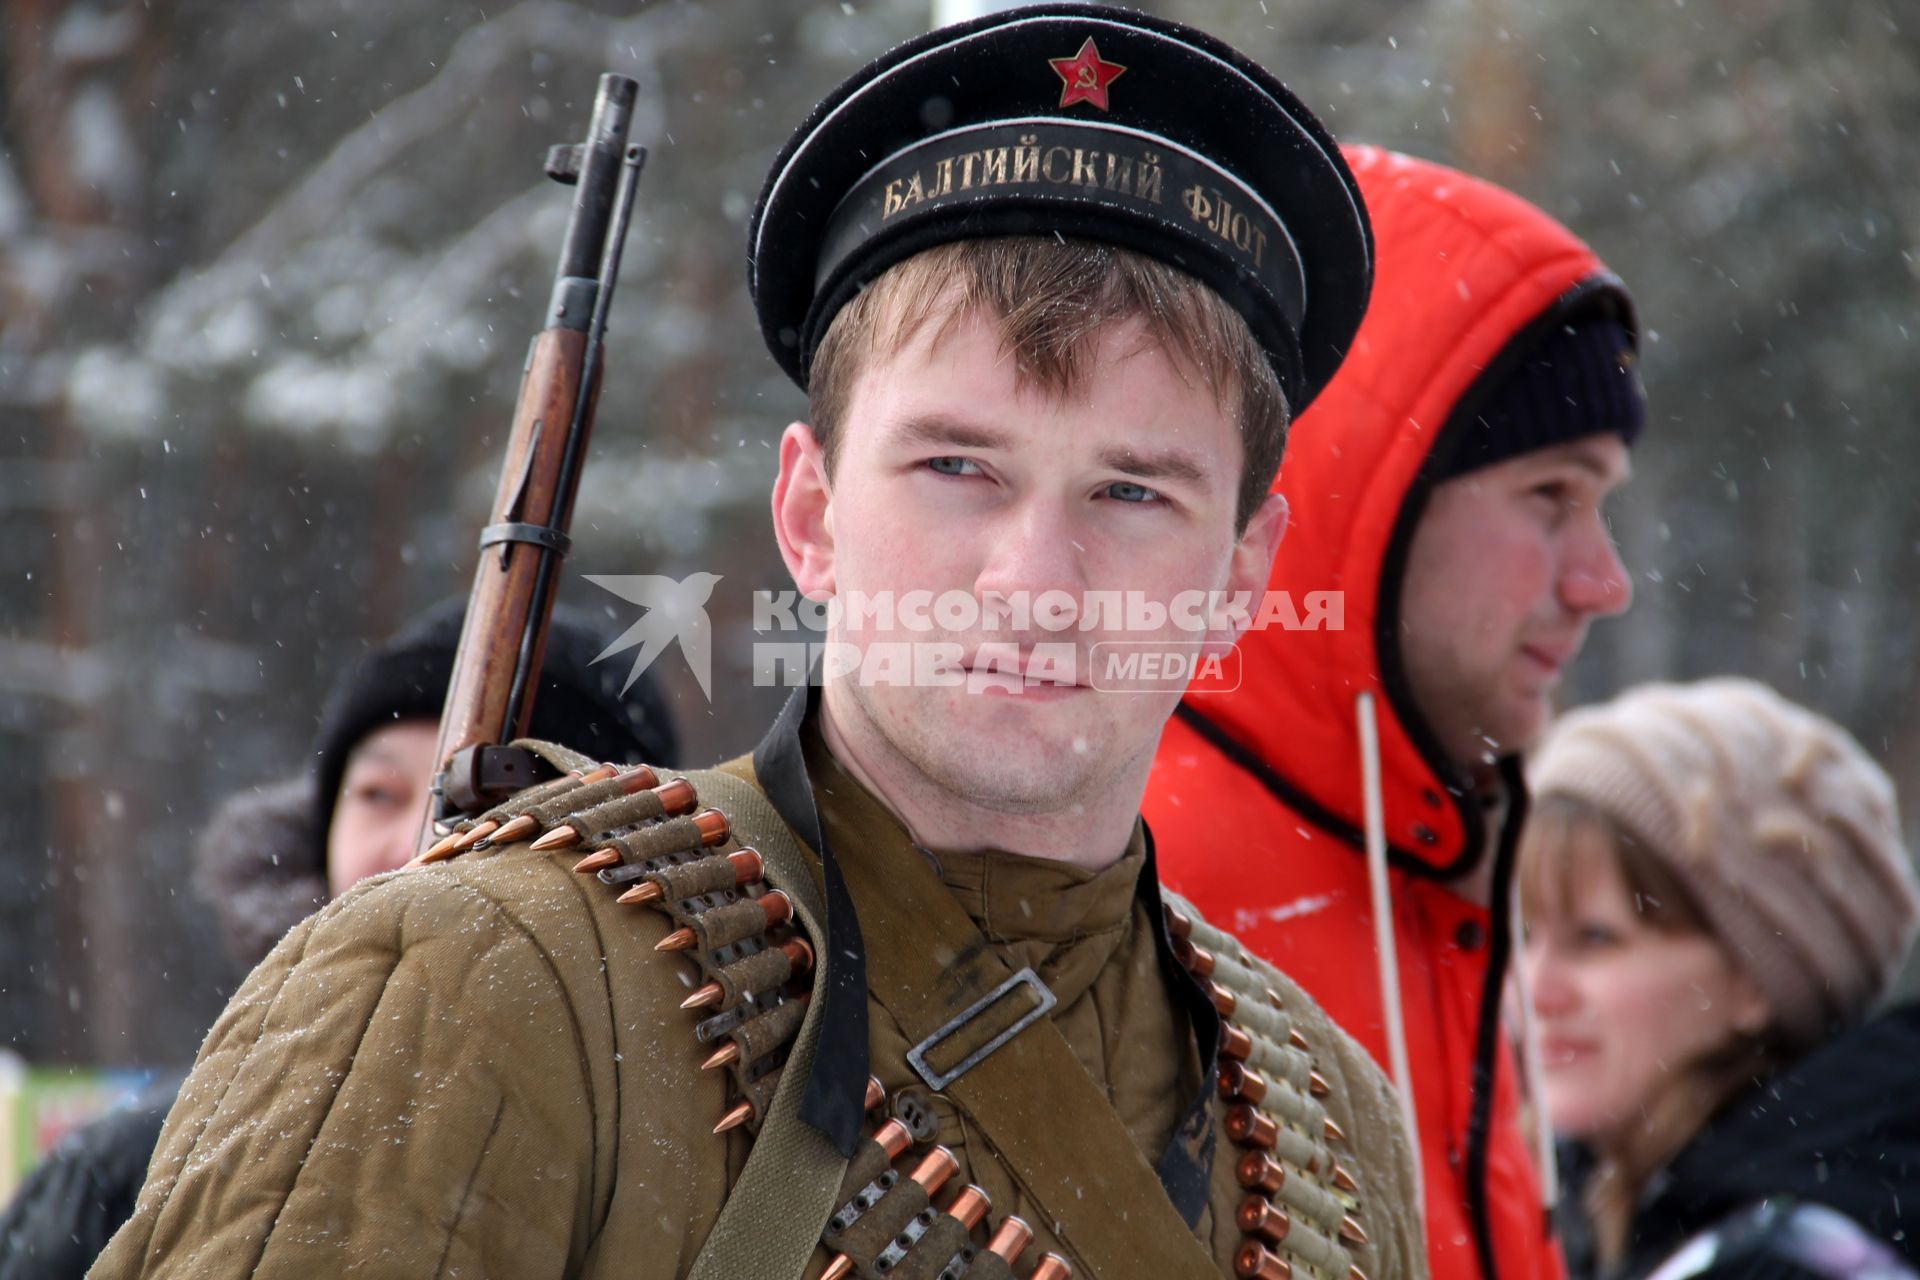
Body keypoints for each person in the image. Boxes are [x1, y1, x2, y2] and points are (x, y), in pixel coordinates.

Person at [88, 8, 1430, 1279]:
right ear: (809, 513)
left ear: (1243, 569)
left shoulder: (1328, 1121)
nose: (1035, 582)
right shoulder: (489, 986)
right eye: (958, 466)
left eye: (1133, 492)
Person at [1141, 145, 1643, 1280]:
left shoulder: (1427, 847)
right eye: (1551, 497)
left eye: (1602, 503)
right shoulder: (1141, 878)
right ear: (1356, 493)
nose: (1602, 579)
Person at [0, 603, 674, 1280]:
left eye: (486, 802)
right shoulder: (126, 1177)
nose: (420, 841)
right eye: (380, 793)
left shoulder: (687, 1187)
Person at [1521, 678, 1920, 1280]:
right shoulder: (1603, 1211)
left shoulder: (1797, 1261)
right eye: (1524, 936)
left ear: (1753, 981)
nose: (1535, 990)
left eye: (1596, 937)